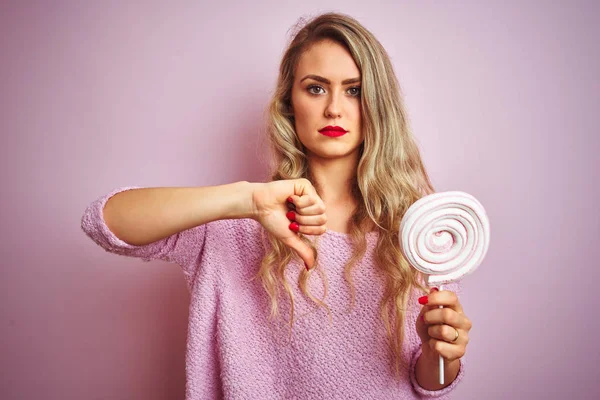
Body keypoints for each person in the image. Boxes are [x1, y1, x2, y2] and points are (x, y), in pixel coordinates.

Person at [81, 12, 472, 399]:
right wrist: (246, 200)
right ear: (289, 102)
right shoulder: (239, 223)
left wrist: (443, 354)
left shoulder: (420, 233)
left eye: (353, 90)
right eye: (316, 88)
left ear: (377, 103)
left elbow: (426, 381)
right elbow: (105, 221)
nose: (334, 108)